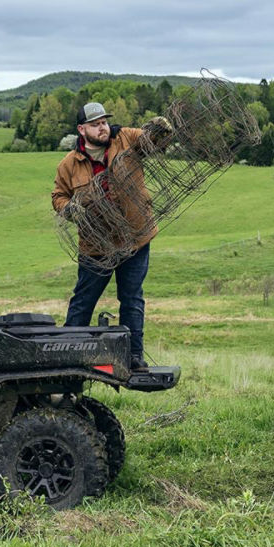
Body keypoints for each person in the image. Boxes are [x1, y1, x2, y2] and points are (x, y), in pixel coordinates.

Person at [51, 101, 172, 369]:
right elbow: (58, 196)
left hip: (134, 239)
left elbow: (152, 141)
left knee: (132, 299)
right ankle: (66, 357)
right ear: (82, 130)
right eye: (95, 125)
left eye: (104, 122)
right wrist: (70, 209)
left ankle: (133, 358)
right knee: (82, 302)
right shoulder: (68, 165)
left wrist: (160, 129)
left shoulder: (126, 138)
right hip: (95, 247)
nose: (102, 127)